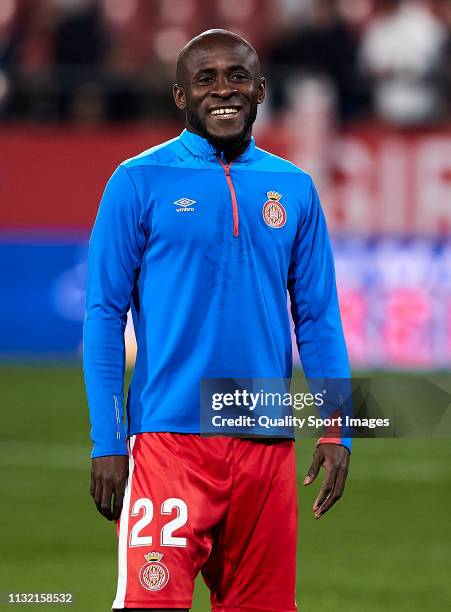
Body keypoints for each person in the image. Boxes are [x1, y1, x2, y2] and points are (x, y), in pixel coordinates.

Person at [83, 29, 351, 612]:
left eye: (237, 77)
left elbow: (319, 318)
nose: (222, 90)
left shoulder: (294, 188)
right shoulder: (136, 182)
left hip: (266, 446)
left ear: (260, 89)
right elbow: (105, 315)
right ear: (181, 96)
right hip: (169, 443)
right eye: (205, 78)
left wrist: (336, 427)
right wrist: (108, 440)